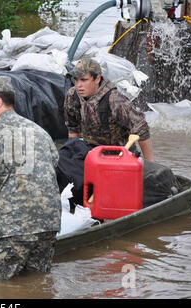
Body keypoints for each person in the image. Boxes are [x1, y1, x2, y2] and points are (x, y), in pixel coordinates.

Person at [0, 76, 61, 280]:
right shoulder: (40, 132)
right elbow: (53, 167)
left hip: (10, 232)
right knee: (37, 285)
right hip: (48, 227)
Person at [58, 58, 154, 206]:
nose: (79, 85)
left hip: (116, 154)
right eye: (76, 80)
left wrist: (149, 165)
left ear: (97, 78)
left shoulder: (114, 100)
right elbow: (73, 129)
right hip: (88, 150)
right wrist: (72, 153)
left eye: (84, 80)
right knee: (60, 160)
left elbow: (141, 128)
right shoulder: (73, 95)